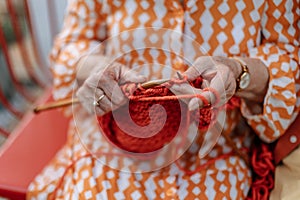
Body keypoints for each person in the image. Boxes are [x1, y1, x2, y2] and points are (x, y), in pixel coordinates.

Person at [27, 0, 299, 199]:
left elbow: (287, 54)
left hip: (215, 149)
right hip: (112, 147)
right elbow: (76, 41)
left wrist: (239, 72)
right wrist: (94, 68)